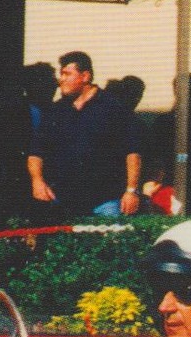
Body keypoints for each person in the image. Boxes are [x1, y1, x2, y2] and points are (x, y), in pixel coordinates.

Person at [26, 51, 141, 222]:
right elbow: (36, 152)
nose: (61, 80)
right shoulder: (55, 111)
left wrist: (131, 191)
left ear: (85, 76)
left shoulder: (113, 108)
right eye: (60, 74)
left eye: (67, 74)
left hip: (106, 202)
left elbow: (132, 152)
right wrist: (37, 181)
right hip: (62, 201)